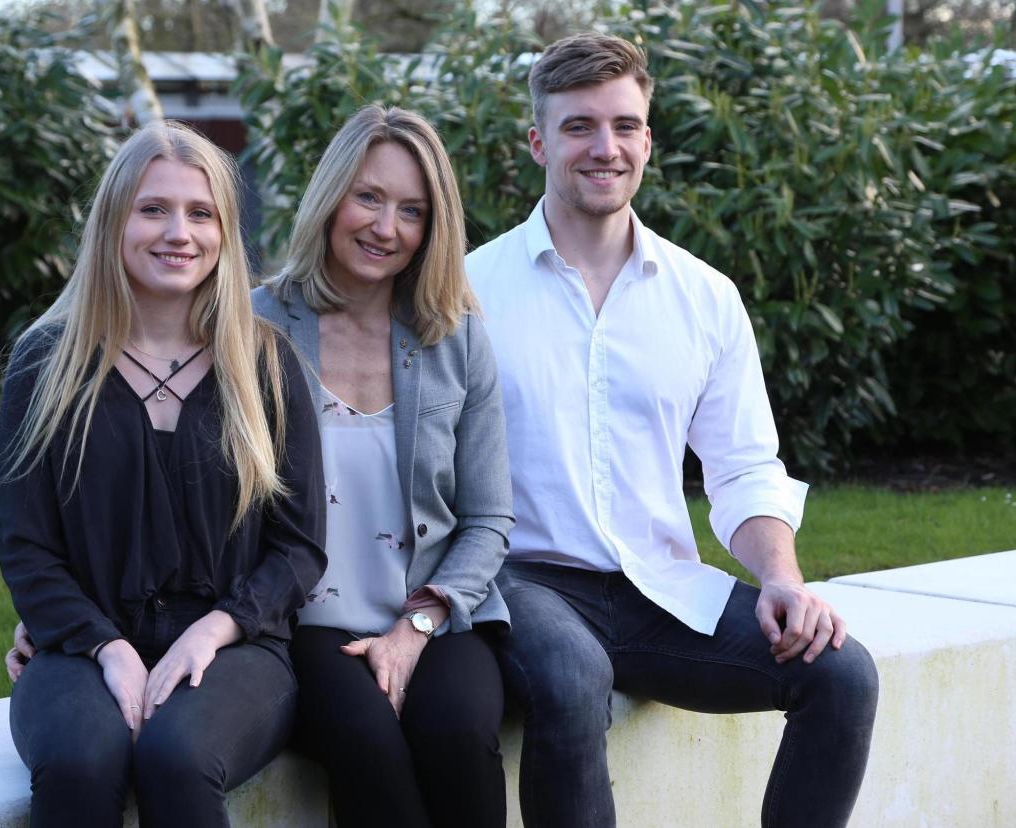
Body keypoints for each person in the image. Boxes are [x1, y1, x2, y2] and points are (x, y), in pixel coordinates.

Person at [465, 33, 880, 828]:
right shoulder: (470, 290)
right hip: (524, 583)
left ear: (648, 140)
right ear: (537, 141)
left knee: (842, 674)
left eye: (624, 126)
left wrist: (784, 581)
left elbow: (744, 466)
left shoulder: (704, 297)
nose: (605, 147)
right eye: (579, 125)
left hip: (659, 590)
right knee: (571, 675)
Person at [0, 121, 326, 828]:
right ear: (115, 221)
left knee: (176, 756)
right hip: (80, 646)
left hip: (236, 650)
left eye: (200, 213)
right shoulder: (46, 364)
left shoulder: (266, 364)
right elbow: (26, 546)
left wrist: (214, 630)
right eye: (154, 209)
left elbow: (299, 547)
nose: (179, 232)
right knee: (82, 761)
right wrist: (107, 648)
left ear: (224, 232)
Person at [252, 104, 513, 827]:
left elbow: (490, 518)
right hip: (306, 621)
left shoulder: (456, 338)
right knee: (369, 749)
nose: (385, 227)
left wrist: (416, 628)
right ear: (333, 195)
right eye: (368, 197)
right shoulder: (255, 326)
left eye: (411, 210)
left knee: (459, 738)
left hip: (438, 614)